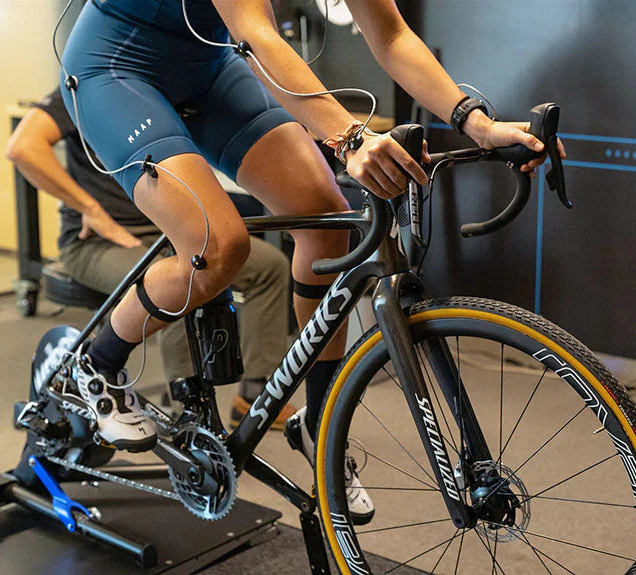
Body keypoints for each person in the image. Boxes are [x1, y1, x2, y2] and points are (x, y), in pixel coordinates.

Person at [57, 0, 564, 525]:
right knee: (217, 246)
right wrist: (350, 138)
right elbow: (258, 35)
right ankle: (95, 366)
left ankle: (321, 421)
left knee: (327, 222)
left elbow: (391, 35)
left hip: (208, 69)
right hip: (116, 68)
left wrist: (475, 123)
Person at [6, 87, 297, 430]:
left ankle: (255, 394)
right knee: (176, 281)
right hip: (98, 242)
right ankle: (188, 412)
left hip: (170, 231)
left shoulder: (173, 84)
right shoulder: (86, 83)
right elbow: (23, 147)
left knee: (269, 267)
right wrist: (91, 209)